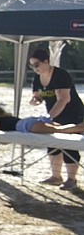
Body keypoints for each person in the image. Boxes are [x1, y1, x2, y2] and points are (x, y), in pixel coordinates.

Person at [29, 48, 84, 190]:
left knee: (69, 145)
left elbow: (64, 99)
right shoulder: (37, 78)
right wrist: (35, 100)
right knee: (52, 143)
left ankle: (71, 179)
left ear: (46, 62)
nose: (35, 69)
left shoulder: (60, 74)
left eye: (37, 65)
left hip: (72, 114)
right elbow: (39, 96)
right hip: (54, 115)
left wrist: (49, 117)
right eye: (32, 66)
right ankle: (56, 176)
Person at [0, 105, 84, 144]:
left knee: (60, 130)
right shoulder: (8, 118)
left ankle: (81, 126)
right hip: (30, 121)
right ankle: (80, 126)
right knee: (59, 128)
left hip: (27, 126)